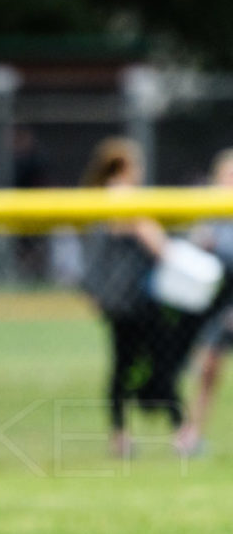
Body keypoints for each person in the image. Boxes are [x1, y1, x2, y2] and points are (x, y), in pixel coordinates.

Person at [80, 137, 188, 457]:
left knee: (123, 365)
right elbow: (157, 244)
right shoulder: (121, 197)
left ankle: (122, 435)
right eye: (135, 165)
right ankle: (180, 432)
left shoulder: (97, 199)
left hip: (117, 300)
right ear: (123, 168)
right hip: (136, 299)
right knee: (160, 360)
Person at [175, 148, 233, 455]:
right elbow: (193, 253)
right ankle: (190, 434)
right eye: (228, 175)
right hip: (215, 303)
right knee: (207, 370)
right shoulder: (211, 211)